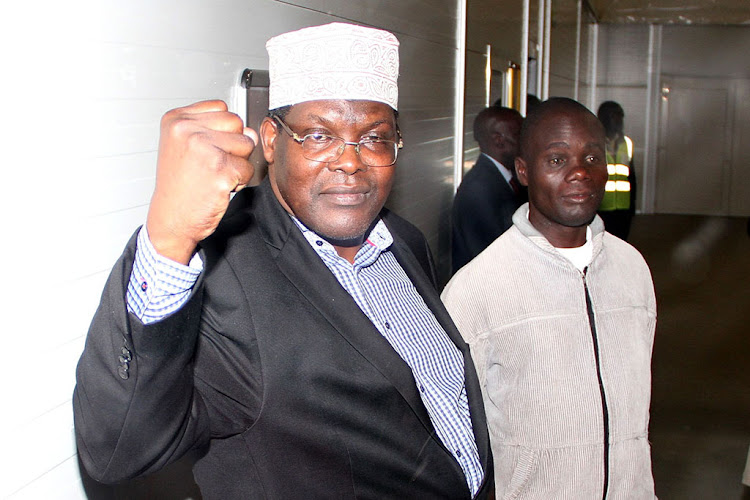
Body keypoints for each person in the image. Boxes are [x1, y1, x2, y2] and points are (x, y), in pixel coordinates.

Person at [73, 23, 492, 499]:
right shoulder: (226, 275)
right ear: (271, 141)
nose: (351, 162)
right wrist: (168, 238)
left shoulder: (403, 240)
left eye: (374, 138)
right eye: (318, 135)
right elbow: (119, 448)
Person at [442, 97, 657, 499]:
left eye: (592, 157)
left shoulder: (633, 269)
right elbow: (451, 435)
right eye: (557, 160)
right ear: (523, 171)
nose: (580, 172)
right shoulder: (477, 289)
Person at [451, 106, 524, 273]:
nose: (526, 142)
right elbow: (491, 256)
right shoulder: (479, 190)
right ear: (498, 140)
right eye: (519, 134)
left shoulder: (505, 178)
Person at [597, 100, 636, 240]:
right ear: (604, 118)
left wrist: (632, 206)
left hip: (623, 207)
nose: (618, 120)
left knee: (621, 242)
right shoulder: (595, 142)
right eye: (614, 115)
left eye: (620, 116)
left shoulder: (627, 143)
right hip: (602, 206)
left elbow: (632, 177)